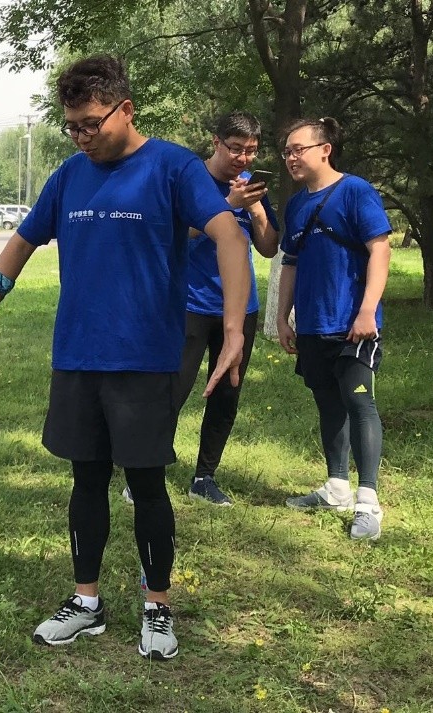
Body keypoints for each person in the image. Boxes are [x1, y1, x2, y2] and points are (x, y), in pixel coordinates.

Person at [0, 55, 251, 661]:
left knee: (145, 482)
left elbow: (228, 235)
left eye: (92, 123)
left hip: (144, 358)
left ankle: (157, 605)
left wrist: (233, 327)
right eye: (73, 126)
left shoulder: (172, 167)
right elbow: (21, 243)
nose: (82, 136)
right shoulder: (69, 175)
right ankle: (86, 602)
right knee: (85, 478)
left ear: (126, 109)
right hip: (78, 354)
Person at [126, 111, 279, 507]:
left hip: (240, 308)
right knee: (171, 390)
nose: (243, 158)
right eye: (236, 149)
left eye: (251, 151)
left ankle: (204, 477)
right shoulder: (189, 179)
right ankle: (144, 472)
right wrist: (227, 205)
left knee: (227, 395)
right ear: (216, 142)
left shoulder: (252, 186)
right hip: (190, 304)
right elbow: (169, 236)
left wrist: (256, 210)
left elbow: (268, 248)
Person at [276, 117, 391, 540]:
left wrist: (367, 311)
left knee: (360, 403)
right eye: (287, 151)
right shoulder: (296, 205)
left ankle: (368, 502)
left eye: (299, 149)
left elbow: (380, 249)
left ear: (325, 150)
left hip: (352, 325)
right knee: (328, 404)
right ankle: (337, 487)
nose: (291, 157)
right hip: (312, 326)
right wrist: (282, 316)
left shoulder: (355, 191)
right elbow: (290, 262)